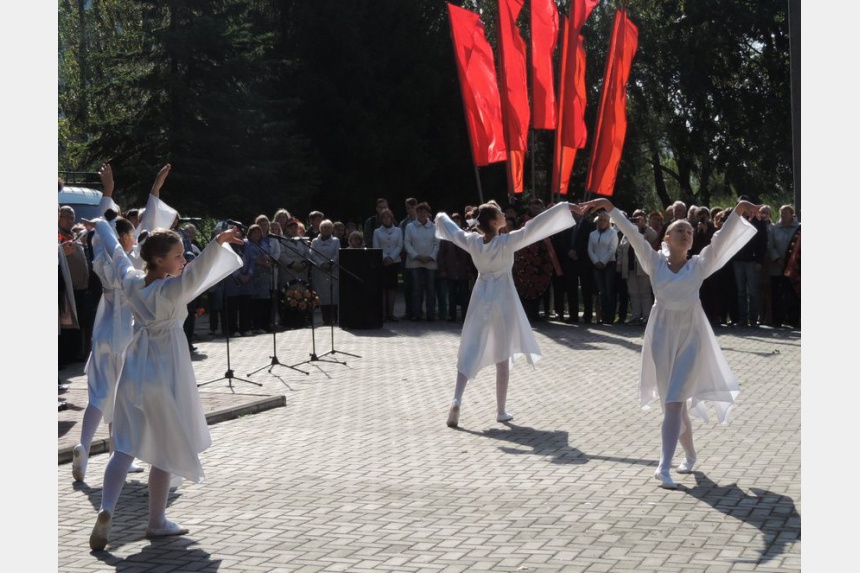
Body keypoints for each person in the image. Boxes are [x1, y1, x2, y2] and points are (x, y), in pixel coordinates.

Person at [575, 197, 762, 490]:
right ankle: (690, 454)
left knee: (674, 401)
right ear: (666, 238)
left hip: (692, 337)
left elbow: (721, 239)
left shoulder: (700, 264)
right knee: (674, 404)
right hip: (661, 336)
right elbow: (632, 234)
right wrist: (609, 207)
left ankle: (663, 467)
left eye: (689, 231)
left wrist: (738, 210)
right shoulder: (653, 262)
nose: (686, 234)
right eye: (680, 230)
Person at [87, 214, 244, 551]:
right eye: (177, 255)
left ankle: (106, 508)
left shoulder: (132, 281)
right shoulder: (173, 290)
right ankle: (156, 521)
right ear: (158, 260)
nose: (184, 259)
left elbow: (117, 252)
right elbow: (200, 270)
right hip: (164, 374)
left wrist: (101, 224)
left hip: (133, 372)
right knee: (165, 450)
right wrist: (217, 242)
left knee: (123, 446)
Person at [435, 200, 577, 428]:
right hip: (503, 299)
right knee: (503, 355)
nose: (504, 214)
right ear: (494, 222)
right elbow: (535, 227)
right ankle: (500, 410)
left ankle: (457, 399)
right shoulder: (506, 242)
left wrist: (441, 216)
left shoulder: (473, 241)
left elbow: (452, 230)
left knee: (469, 347)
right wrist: (563, 207)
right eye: (500, 213)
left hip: (481, 297)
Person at [404, 202, 439, 321]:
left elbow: (437, 243)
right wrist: (416, 256)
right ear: (417, 213)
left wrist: (431, 256)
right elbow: (407, 243)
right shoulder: (410, 227)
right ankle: (416, 313)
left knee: (430, 289)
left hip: (430, 262)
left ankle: (431, 314)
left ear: (428, 213)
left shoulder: (434, 227)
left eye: (425, 212)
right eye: (420, 212)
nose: (423, 214)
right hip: (415, 262)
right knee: (416, 289)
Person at [587, 211, 619, 324]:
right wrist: (596, 261)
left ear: (608, 222)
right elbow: (590, 250)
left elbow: (612, 249)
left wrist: (603, 261)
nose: (602, 222)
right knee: (602, 291)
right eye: (600, 220)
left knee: (609, 291)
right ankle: (602, 316)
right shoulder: (592, 234)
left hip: (609, 264)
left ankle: (610, 317)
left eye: (605, 220)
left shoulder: (613, 233)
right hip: (596, 265)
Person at [372, 208, 403, 322]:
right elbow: (376, 246)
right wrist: (385, 257)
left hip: (394, 262)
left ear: (392, 218)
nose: (386, 219)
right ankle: (383, 314)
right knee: (383, 288)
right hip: (382, 263)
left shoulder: (398, 230)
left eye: (388, 217)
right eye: (384, 217)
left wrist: (392, 257)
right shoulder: (377, 231)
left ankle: (391, 313)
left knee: (392, 288)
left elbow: (399, 246)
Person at [310, 219, 340, 326]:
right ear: (320, 229)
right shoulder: (315, 241)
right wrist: (321, 264)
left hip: (333, 271)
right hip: (320, 271)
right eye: (324, 227)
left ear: (331, 229)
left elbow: (337, 254)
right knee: (322, 296)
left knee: (333, 295)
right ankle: (325, 318)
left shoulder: (336, 241)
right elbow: (312, 254)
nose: (326, 229)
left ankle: (334, 317)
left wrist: (331, 264)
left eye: (328, 227)